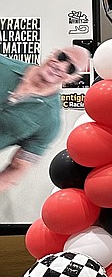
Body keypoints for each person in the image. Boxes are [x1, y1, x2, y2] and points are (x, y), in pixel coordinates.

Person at [0, 46, 90, 193]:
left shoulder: (50, 121)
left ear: (73, 78)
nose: (61, 66)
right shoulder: (3, 66)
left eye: (71, 68)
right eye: (62, 57)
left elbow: (17, 169)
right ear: (53, 53)